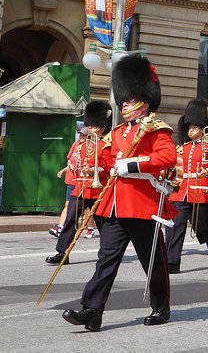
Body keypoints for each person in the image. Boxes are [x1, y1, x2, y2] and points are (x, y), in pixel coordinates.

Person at [62, 55, 176, 331]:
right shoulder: (116, 133)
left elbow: (168, 156)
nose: (123, 103)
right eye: (123, 99)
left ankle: (161, 307)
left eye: (129, 99)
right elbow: (105, 164)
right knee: (106, 260)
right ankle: (92, 310)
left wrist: (135, 164)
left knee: (153, 260)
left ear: (143, 101)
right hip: (113, 206)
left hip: (141, 205)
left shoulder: (155, 130)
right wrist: (90, 156)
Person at [47, 101, 112, 264]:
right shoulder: (83, 147)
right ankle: (63, 253)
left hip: (99, 191)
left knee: (104, 225)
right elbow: (77, 163)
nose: (89, 128)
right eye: (89, 125)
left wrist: (94, 171)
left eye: (93, 126)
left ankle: (107, 254)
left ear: (102, 128)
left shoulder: (106, 147)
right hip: (81, 189)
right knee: (70, 220)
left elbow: (110, 168)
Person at [165, 99, 208, 274]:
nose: (191, 130)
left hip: (199, 191)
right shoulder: (182, 148)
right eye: (190, 128)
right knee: (176, 228)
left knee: (205, 228)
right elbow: (175, 169)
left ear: (202, 128)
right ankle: (173, 263)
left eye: (195, 128)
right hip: (180, 192)